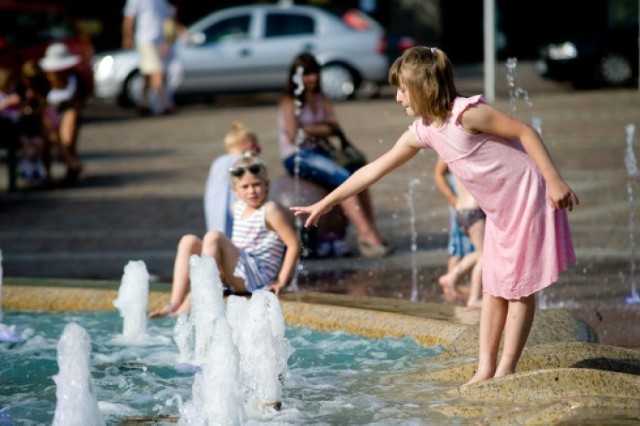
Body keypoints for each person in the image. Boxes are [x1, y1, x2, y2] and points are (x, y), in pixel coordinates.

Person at [291, 46, 578, 385]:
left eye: (402, 89)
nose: (398, 97)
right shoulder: (423, 130)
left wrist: (555, 180)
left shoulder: (467, 114)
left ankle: (506, 370)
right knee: (493, 287)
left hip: (528, 198)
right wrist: (326, 202)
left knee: (517, 290)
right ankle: (485, 368)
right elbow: (373, 170)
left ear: (425, 88)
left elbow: (525, 132)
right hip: (499, 211)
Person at [150, 154, 301, 318]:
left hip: (256, 278)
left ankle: (191, 303)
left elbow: (294, 244)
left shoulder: (270, 210)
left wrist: (281, 281)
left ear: (267, 185)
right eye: (245, 186)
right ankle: (174, 304)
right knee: (188, 241)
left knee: (214, 236)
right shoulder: (238, 207)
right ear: (235, 190)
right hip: (237, 272)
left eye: (256, 185)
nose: (251, 191)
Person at [278, 52, 389, 258]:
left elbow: (334, 127)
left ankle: (371, 229)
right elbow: (295, 136)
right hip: (297, 156)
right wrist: (321, 128)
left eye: (314, 73)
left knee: (360, 177)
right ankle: (365, 235)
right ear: (296, 77)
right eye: (306, 74)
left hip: (318, 151)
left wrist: (310, 128)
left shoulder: (321, 97)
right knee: (344, 179)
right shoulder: (289, 101)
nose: (311, 79)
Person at [204, 121, 262, 235]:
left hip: (214, 212)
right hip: (237, 212)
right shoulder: (244, 162)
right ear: (248, 145)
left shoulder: (218, 162)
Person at [39, 43, 86, 185]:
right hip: (48, 116)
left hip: (67, 113)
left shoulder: (75, 79)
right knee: (49, 129)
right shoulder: (43, 82)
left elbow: (79, 103)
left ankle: (69, 161)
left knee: (70, 118)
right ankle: (70, 162)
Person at [437, 172, 485, 308]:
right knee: (485, 256)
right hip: (474, 211)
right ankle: (474, 298)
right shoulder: (477, 158)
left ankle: (452, 276)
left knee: (482, 252)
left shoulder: (458, 158)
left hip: (460, 211)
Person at [433, 157, 476, 302]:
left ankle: (461, 293)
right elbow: (438, 173)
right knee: (464, 249)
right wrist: (453, 200)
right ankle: (455, 286)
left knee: (466, 250)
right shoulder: (452, 139)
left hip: (469, 208)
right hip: (466, 208)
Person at [122, 0, 174, 115]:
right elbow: (129, 17)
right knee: (158, 71)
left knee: (148, 74)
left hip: (158, 42)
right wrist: (127, 36)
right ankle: (164, 104)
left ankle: (143, 103)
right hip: (145, 40)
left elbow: (167, 20)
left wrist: (166, 41)